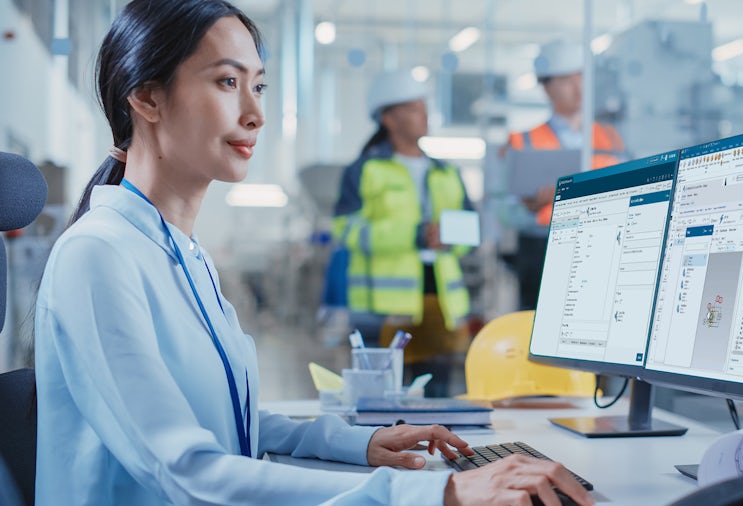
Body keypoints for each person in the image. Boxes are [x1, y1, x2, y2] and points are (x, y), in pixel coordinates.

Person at [33, 1, 593, 504]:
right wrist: (437, 490)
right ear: (147, 97)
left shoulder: (183, 255)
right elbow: (186, 472)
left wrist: (366, 443)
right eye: (228, 82)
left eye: (259, 87)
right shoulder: (99, 255)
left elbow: (236, 426)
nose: (256, 114)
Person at [333, 70, 475, 398]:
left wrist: (451, 237)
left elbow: (471, 228)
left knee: (438, 395)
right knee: (380, 398)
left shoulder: (447, 172)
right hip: (383, 307)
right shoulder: (365, 170)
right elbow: (347, 230)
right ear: (389, 119)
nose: (423, 115)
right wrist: (415, 235)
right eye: (413, 108)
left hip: (439, 300)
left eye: (423, 107)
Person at [503, 38, 626, 310]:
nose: (578, 87)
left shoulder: (611, 138)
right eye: (567, 79)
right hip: (542, 249)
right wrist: (531, 206)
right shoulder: (523, 141)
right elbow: (503, 210)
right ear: (546, 86)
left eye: (582, 77)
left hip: (602, 245)